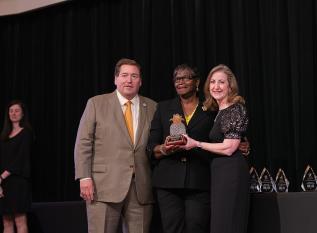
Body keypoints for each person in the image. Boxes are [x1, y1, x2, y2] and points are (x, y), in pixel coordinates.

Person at [147, 64, 250, 233]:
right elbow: (151, 146)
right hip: (169, 182)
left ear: (197, 82)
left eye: (186, 77)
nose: (180, 82)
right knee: (173, 228)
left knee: (199, 226)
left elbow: (229, 134)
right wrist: (164, 148)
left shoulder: (211, 108)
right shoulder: (163, 108)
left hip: (201, 181)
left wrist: (243, 143)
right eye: (177, 79)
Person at [74, 58, 157, 233]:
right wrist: (84, 177)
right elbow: (83, 142)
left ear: (140, 81)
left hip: (140, 189)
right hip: (102, 187)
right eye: (124, 75)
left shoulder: (152, 107)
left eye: (134, 76)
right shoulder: (96, 103)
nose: (129, 80)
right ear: (115, 79)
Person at [181, 64, 250, 233]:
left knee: (228, 223)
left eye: (221, 82)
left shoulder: (235, 109)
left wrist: (196, 143)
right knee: (221, 224)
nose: (216, 86)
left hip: (231, 173)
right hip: (221, 173)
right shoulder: (220, 111)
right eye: (212, 82)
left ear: (230, 86)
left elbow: (229, 148)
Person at [0, 100, 34, 233]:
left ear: (22, 113)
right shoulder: (3, 136)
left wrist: (2, 177)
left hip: (18, 182)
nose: (13, 113)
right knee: (6, 222)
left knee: (20, 221)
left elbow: (21, 159)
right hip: (3, 183)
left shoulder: (26, 133)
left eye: (17, 110)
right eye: (11, 111)